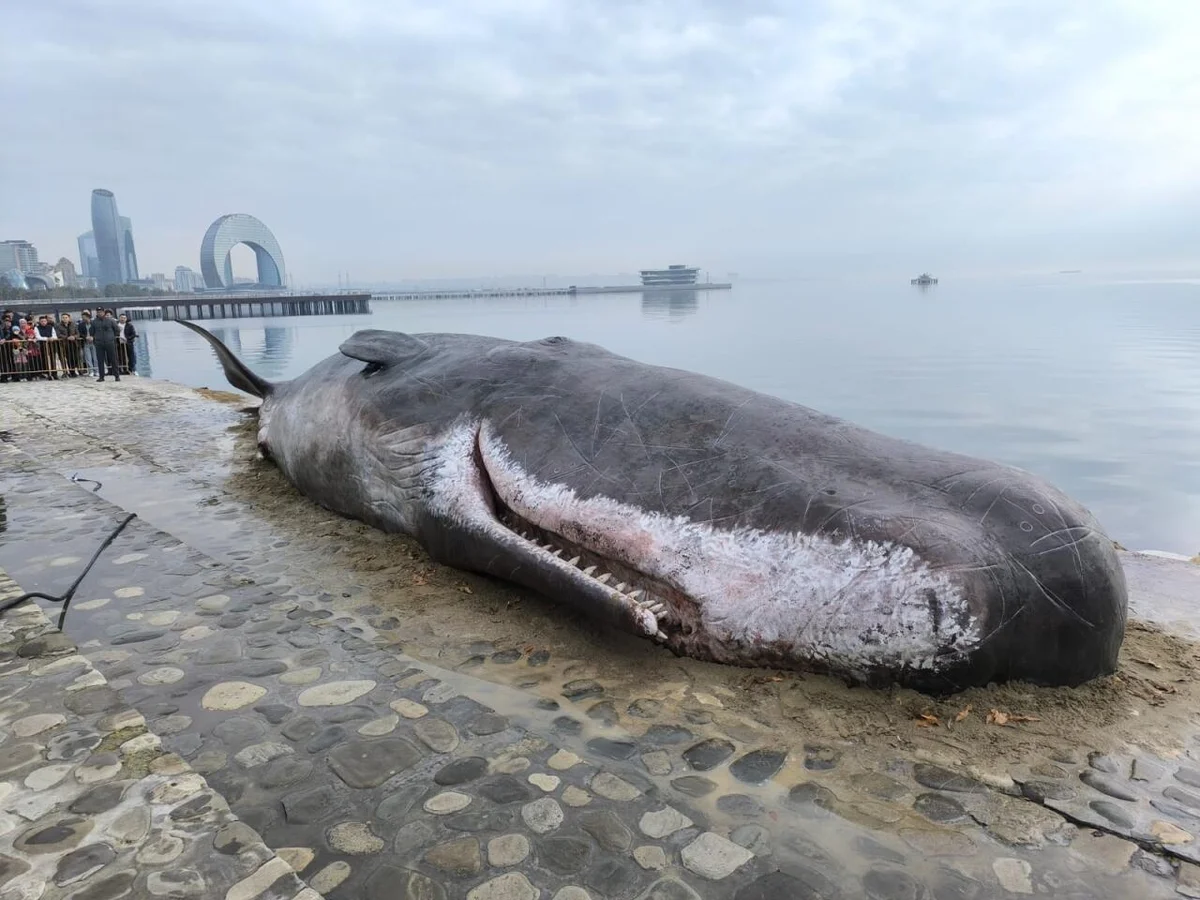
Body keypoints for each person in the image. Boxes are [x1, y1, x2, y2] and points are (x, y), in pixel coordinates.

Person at [93, 308, 121, 382]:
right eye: (98, 312)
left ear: (104, 312)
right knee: (100, 360)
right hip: (99, 343)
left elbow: (117, 330)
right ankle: (101, 377)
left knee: (113, 360)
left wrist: (111, 337)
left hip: (110, 342)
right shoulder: (94, 322)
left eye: (101, 312)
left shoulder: (110, 320)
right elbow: (92, 331)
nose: (99, 313)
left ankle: (117, 376)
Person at [77, 310, 97, 376]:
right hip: (86, 343)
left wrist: (93, 337)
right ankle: (91, 371)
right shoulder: (81, 325)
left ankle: (96, 371)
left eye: (84, 317)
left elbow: (97, 332)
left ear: (88, 317)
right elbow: (80, 333)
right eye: (82, 317)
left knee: (95, 357)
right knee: (88, 358)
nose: (83, 318)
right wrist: (85, 337)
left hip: (94, 342)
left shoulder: (94, 323)